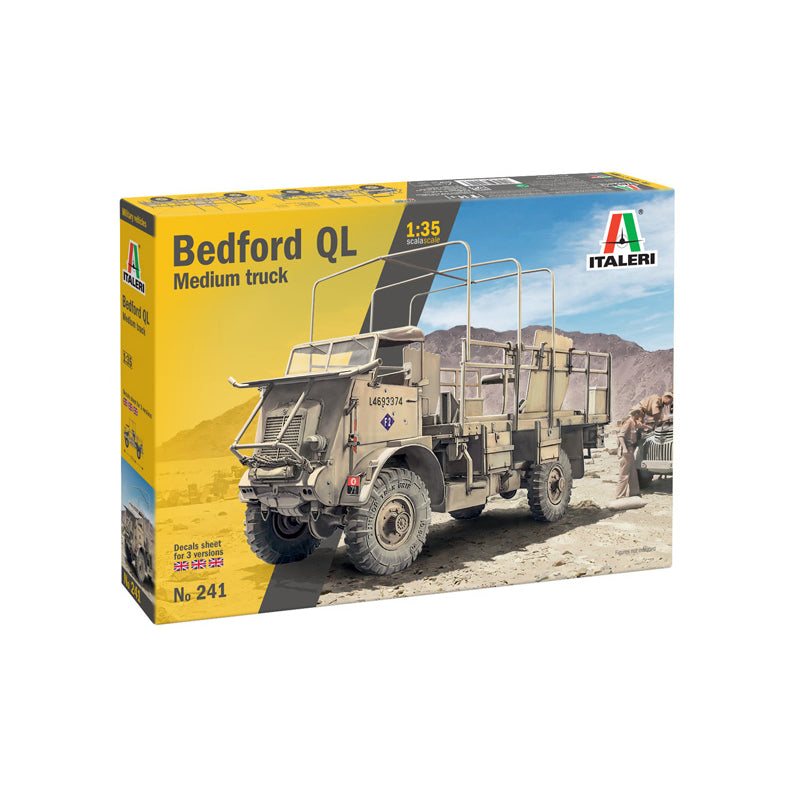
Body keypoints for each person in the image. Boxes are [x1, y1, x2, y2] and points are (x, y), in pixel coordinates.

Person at [616, 408, 644, 499]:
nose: (640, 417)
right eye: (639, 415)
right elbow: (620, 436)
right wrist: (624, 448)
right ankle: (620, 495)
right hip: (627, 450)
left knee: (633, 472)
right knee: (624, 473)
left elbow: (640, 426)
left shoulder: (634, 423)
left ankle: (634, 492)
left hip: (631, 450)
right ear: (636, 414)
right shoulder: (628, 422)